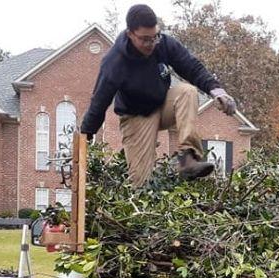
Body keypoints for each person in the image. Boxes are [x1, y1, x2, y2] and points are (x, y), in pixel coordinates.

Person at [80, 4, 237, 186]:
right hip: (135, 118)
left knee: (187, 91)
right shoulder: (115, 62)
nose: (151, 44)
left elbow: (192, 66)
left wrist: (217, 91)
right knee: (140, 183)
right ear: (130, 34)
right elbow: (99, 101)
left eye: (154, 37)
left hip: (162, 105)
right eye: (145, 39)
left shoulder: (163, 44)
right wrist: (85, 135)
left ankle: (187, 158)